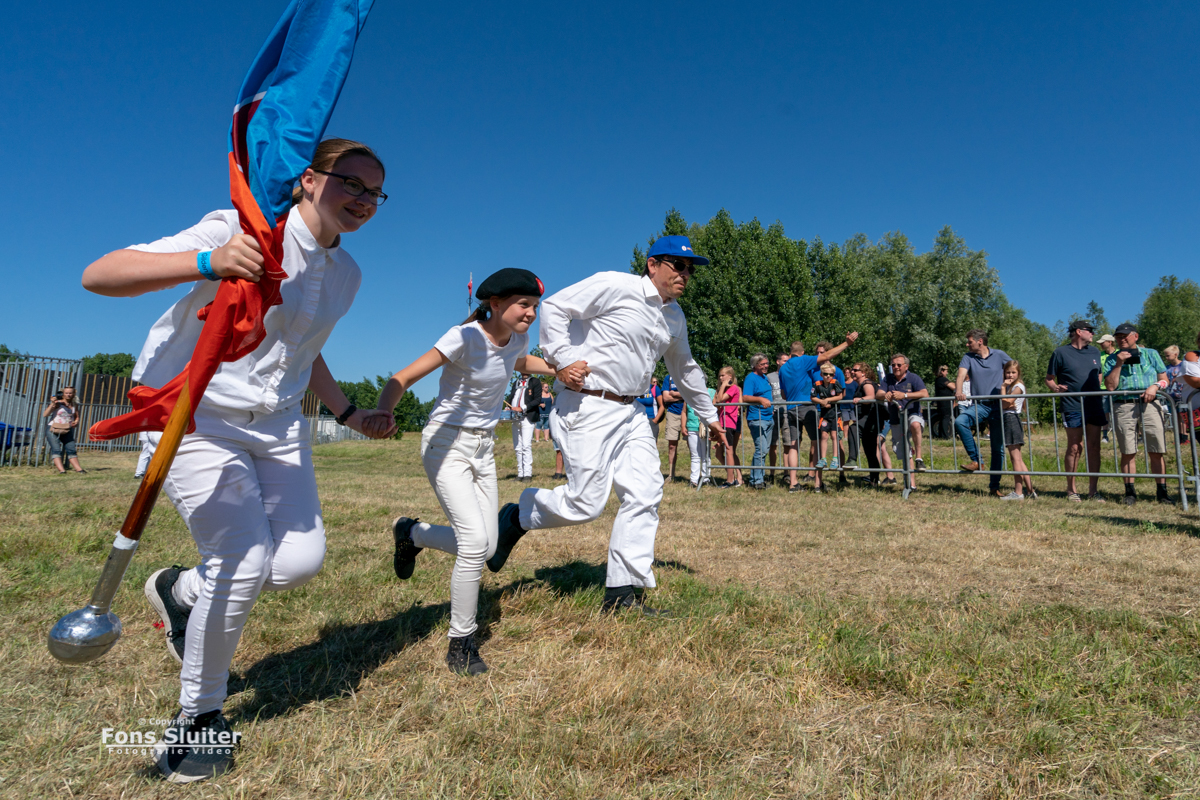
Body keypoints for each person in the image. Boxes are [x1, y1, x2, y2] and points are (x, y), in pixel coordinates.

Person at [81, 138, 397, 782]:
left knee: (299, 562)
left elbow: (304, 348)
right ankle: (198, 717)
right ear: (308, 179)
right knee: (243, 560)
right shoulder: (239, 229)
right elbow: (101, 274)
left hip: (277, 426)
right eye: (351, 182)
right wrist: (210, 260)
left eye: (375, 192)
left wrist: (347, 413)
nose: (363, 199)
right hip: (194, 413)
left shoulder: (348, 274)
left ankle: (181, 592)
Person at [486, 235, 725, 616]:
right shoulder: (616, 285)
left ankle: (621, 596)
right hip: (588, 404)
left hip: (632, 412)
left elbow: (685, 369)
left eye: (690, 269)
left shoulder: (674, 316)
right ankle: (518, 515)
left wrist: (710, 416)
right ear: (652, 265)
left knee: (645, 493)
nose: (685, 274)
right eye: (678, 265)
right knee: (585, 504)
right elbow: (557, 307)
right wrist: (564, 360)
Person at [373, 268, 556, 676]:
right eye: (523, 305)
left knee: (486, 549)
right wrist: (384, 411)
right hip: (446, 444)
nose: (531, 313)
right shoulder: (464, 337)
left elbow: (519, 360)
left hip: (484, 449)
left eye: (535, 306)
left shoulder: (518, 339)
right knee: (474, 545)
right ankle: (461, 643)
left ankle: (412, 534)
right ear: (495, 303)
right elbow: (402, 377)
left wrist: (557, 369)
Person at [778, 334, 858, 493]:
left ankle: (793, 483)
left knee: (794, 445)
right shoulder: (804, 360)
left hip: (791, 408)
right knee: (818, 442)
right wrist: (847, 343)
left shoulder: (783, 369)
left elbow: (783, 395)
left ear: (790, 352)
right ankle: (817, 484)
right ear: (802, 352)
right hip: (807, 407)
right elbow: (827, 356)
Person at [1105, 322, 1172, 505]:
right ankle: (1130, 492)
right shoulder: (1112, 359)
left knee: (1156, 448)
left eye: (1125, 336)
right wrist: (1119, 363)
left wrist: (1155, 386)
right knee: (1128, 450)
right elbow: (1110, 386)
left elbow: (1164, 378)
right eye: (1118, 337)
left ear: (1135, 336)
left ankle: (1162, 492)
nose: (1122, 339)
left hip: (1150, 404)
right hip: (1124, 405)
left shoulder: (1151, 354)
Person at [1045, 319, 1107, 501]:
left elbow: (1099, 374)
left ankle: (1093, 491)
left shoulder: (1095, 352)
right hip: (1072, 405)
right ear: (1079, 332)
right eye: (1090, 330)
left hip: (1094, 405)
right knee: (1074, 447)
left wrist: (1096, 389)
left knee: (1094, 446)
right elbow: (1049, 378)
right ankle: (1071, 490)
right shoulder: (1060, 353)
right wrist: (1055, 388)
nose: (1093, 333)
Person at [954, 330, 1011, 495]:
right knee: (960, 422)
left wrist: (1013, 392)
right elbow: (961, 375)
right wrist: (958, 391)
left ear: (980, 341)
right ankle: (977, 460)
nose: (967, 344)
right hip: (981, 405)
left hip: (999, 406)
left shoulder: (999, 355)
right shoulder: (968, 357)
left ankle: (994, 487)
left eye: (970, 341)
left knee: (997, 448)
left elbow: (1015, 371)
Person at [882, 354, 928, 486]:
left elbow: (925, 393)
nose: (896, 367)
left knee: (915, 424)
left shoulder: (914, 378)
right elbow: (878, 393)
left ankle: (919, 458)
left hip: (912, 414)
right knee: (905, 452)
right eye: (893, 365)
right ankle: (911, 485)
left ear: (906, 366)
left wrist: (905, 395)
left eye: (899, 365)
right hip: (896, 419)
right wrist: (885, 394)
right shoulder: (888, 378)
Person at [998, 360, 1036, 500]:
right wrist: (1006, 400)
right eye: (1008, 372)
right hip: (1009, 419)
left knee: (1015, 459)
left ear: (1018, 373)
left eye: (1013, 372)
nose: (1010, 375)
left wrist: (1003, 388)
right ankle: (1030, 491)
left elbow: (1005, 403)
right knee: (1018, 459)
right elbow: (1006, 402)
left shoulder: (1018, 386)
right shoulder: (1012, 387)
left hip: (1011, 419)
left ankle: (1018, 492)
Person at [810, 364, 844, 492]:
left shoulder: (836, 383)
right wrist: (821, 402)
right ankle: (823, 459)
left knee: (835, 436)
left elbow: (840, 396)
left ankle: (835, 459)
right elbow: (812, 397)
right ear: (821, 374)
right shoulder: (817, 384)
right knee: (823, 436)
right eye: (825, 374)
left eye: (830, 374)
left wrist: (828, 400)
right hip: (824, 415)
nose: (828, 376)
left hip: (835, 414)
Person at [742, 354, 774, 489]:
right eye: (762, 364)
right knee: (761, 450)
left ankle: (758, 478)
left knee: (764, 450)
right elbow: (745, 397)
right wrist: (760, 400)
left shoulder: (764, 377)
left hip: (768, 418)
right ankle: (756, 481)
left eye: (767, 363)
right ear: (755, 365)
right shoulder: (751, 378)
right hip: (757, 418)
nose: (766, 366)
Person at [850, 363, 884, 486]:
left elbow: (871, 396)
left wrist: (861, 399)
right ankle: (874, 480)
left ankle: (852, 459)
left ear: (863, 373)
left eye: (855, 370)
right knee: (870, 451)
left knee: (853, 428)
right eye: (852, 369)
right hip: (869, 419)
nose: (852, 372)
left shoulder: (867, 383)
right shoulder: (861, 384)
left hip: (869, 419)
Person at [505, 373, 541, 480]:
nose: (524, 373)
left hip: (527, 417)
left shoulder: (535, 381)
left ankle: (527, 474)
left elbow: (537, 400)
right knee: (517, 447)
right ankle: (520, 473)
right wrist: (508, 406)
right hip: (515, 418)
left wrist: (522, 408)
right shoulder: (516, 382)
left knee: (526, 446)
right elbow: (511, 397)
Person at [43, 386, 85, 474]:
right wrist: (52, 403)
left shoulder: (74, 404)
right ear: (63, 394)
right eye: (66, 393)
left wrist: (76, 421)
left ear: (73, 394)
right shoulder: (58, 403)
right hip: (53, 429)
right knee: (56, 449)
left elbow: (76, 416)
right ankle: (62, 470)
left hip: (67, 429)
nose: (68, 395)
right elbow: (45, 414)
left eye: (70, 393)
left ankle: (79, 470)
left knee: (71, 449)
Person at [714, 366, 743, 487]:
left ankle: (730, 480)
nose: (721, 378)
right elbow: (715, 402)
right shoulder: (724, 389)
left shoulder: (733, 388)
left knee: (729, 451)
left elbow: (719, 400)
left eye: (723, 375)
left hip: (729, 422)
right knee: (724, 452)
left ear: (730, 376)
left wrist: (722, 387)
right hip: (722, 422)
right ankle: (732, 478)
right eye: (720, 376)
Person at [683, 387, 715, 488]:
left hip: (705, 428)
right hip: (691, 427)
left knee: (705, 454)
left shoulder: (711, 392)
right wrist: (683, 426)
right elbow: (684, 411)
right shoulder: (688, 392)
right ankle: (694, 480)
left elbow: (715, 409)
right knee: (695, 455)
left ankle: (706, 478)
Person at [766, 353, 790, 484]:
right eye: (784, 361)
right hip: (773, 412)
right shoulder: (769, 377)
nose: (786, 363)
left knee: (788, 444)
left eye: (788, 361)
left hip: (787, 412)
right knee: (773, 444)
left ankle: (787, 473)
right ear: (778, 361)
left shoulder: (790, 375)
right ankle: (772, 473)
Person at [660, 373, 685, 481]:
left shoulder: (687, 376)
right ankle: (671, 475)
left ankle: (695, 475)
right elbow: (666, 398)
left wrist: (674, 394)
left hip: (688, 413)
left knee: (692, 444)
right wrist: (683, 395)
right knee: (672, 445)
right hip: (672, 413)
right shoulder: (668, 378)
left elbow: (691, 394)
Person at [1163, 345, 1189, 445]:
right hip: (1171, 395)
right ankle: (1178, 438)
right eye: (1165, 356)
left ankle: (1185, 437)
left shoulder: (1183, 365)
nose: (1166, 358)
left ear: (1175, 354)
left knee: (1183, 416)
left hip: (1182, 394)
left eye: (1168, 355)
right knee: (1175, 416)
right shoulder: (1166, 368)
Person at [1096, 334, 1116, 442]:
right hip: (1103, 388)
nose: (1101, 344)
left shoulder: (1119, 353)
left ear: (1110, 342)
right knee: (1105, 412)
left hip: (1117, 388)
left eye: (1102, 342)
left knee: (1119, 411)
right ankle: (1105, 435)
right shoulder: (1099, 356)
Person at [932, 365, 956, 439]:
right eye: (946, 371)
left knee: (942, 418)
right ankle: (945, 436)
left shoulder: (939, 380)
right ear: (942, 371)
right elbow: (954, 387)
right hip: (944, 403)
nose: (947, 373)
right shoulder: (942, 379)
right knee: (946, 418)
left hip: (944, 403)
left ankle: (941, 435)